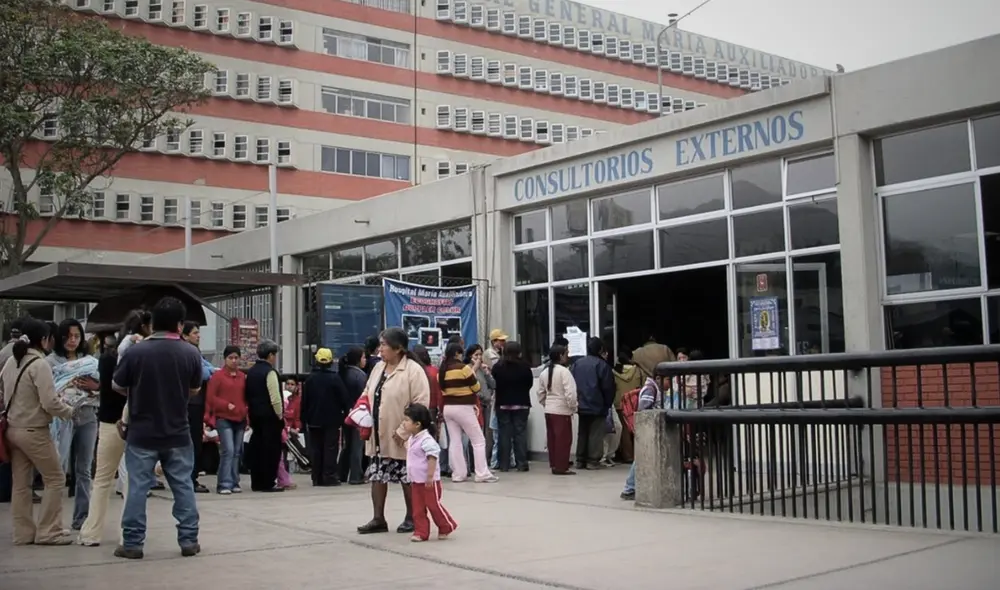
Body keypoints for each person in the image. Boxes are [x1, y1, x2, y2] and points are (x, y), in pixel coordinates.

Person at [112, 297, 205, 559]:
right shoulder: (190, 353)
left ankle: (132, 543)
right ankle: (189, 540)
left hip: (141, 433)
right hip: (178, 432)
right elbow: (195, 389)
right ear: (179, 325)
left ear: (152, 324)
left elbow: (117, 385)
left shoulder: (136, 352)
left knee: (137, 488)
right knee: (183, 486)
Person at [1, 318, 75, 545]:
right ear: (44, 339)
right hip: (34, 431)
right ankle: (49, 531)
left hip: (13, 429)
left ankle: (23, 533)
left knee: (21, 484)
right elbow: (49, 402)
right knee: (55, 478)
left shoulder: (12, 361)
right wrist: (69, 411)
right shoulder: (39, 364)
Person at [357, 327, 430, 535]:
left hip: (402, 436)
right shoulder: (378, 368)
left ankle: (412, 517)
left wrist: (404, 430)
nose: (380, 349)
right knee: (378, 476)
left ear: (398, 348)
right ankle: (378, 518)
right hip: (378, 434)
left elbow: (421, 404)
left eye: (384, 345)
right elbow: (367, 392)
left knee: (407, 477)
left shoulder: (413, 371)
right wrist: (361, 409)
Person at [47, 318, 100, 531]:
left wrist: (95, 386)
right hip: (61, 419)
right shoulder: (51, 362)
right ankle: (54, 520)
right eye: (68, 336)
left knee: (84, 469)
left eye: (77, 336)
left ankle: (81, 518)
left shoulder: (89, 361)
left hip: (87, 416)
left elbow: (103, 387)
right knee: (58, 469)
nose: (72, 340)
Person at [439, 343, 498, 484]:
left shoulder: (442, 370)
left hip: (448, 408)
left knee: (455, 441)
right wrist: (474, 370)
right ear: (457, 354)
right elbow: (476, 387)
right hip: (464, 407)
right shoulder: (463, 368)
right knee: (478, 440)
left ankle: (458, 474)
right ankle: (482, 473)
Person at [402, 403, 457, 543]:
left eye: (407, 420)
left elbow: (432, 457)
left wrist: (430, 476)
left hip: (429, 482)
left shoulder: (426, 440)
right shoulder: (412, 438)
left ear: (417, 424)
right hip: (416, 481)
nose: (404, 423)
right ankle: (421, 532)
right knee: (417, 508)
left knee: (433, 505)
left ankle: (446, 525)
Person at [300, 348, 350, 487]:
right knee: (330, 448)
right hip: (332, 420)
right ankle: (329, 476)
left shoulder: (310, 379)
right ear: (330, 362)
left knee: (315, 448)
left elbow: (304, 401)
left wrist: (303, 419)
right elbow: (344, 399)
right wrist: (346, 413)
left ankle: (316, 477)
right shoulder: (335, 378)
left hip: (313, 419)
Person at [204, 345, 247, 495]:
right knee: (228, 450)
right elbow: (210, 397)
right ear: (225, 359)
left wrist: (246, 413)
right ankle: (224, 483)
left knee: (237, 452)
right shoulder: (218, 376)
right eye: (231, 358)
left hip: (240, 418)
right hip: (224, 418)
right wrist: (225, 405)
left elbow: (246, 397)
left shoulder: (242, 377)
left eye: (236, 358)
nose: (234, 361)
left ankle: (234, 481)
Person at [245, 340, 285, 493]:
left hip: (255, 415)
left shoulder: (251, 372)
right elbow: (275, 397)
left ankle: (257, 482)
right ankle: (268, 482)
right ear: (270, 355)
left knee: (257, 448)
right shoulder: (270, 372)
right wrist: (280, 415)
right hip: (270, 417)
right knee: (271, 450)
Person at [570, 337, 615, 471]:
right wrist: (607, 404)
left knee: (582, 432)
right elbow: (608, 387)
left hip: (581, 403)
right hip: (597, 405)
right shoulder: (602, 365)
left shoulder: (577, 364)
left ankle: (580, 460)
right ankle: (592, 461)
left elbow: (571, 383)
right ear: (600, 349)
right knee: (595, 433)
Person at [181, 322, 215, 494]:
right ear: (185, 335)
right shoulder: (187, 352)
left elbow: (208, 368)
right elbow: (203, 373)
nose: (198, 336)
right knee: (191, 442)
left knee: (195, 441)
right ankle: (190, 478)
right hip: (190, 402)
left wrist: (208, 370)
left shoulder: (195, 351)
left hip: (196, 402)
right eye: (195, 333)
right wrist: (208, 371)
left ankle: (190, 477)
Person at [621, 372, 666, 501]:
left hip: (650, 430)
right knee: (641, 458)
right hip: (648, 429)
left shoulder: (654, 389)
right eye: (668, 379)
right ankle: (630, 488)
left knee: (643, 457)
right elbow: (644, 411)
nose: (669, 383)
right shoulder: (650, 390)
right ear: (658, 378)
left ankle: (631, 487)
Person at [491, 341, 533, 472]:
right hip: (522, 403)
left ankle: (504, 464)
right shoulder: (525, 367)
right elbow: (529, 384)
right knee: (520, 434)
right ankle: (522, 464)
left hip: (503, 404)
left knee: (504, 434)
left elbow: (494, 384)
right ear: (519, 352)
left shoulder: (498, 367)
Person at [536, 344, 577, 475]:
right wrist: (573, 407)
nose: (568, 356)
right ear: (560, 355)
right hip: (562, 411)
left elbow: (540, 393)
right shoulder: (565, 372)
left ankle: (554, 464)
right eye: (566, 353)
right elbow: (571, 393)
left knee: (552, 439)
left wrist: (546, 404)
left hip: (549, 410)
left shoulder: (544, 372)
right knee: (563, 440)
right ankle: (561, 467)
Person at [338, 346, 367, 485]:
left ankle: (341, 473)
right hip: (359, 413)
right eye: (363, 357)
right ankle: (356, 475)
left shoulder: (342, 373)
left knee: (347, 444)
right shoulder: (360, 375)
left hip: (345, 413)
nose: (365, 360)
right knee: (357, 445)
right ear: (357, 359)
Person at [465, 344, 495, 470]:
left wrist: (487, 373)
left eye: (480, 355)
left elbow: (493, 384)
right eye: (476, 355)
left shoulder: (483, 368)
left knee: (487, 434)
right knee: (475, 434)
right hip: (475, 404)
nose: (478, 357)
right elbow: (469, 384)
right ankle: (473, 464)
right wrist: (475, 368)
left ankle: (485, 460)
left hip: (487, 404)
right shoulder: (468, 369)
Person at [612, 350, 643, 465]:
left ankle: (627, 456)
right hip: (635, 403)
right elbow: (642, 385)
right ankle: (638, 454)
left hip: (620, 403)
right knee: (637, 429)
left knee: (624, 430)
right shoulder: (638, 370)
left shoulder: (614, 371)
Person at [278, 376, 302, 490]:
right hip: (283, 430)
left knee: (287, 455)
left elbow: (297, 417)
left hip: (290, 431)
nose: (289, 386)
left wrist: (297, 428)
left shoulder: (297, 401)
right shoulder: (282, 398)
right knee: (281, 455)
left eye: (292, 384)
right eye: (288, 384)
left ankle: (285, 478)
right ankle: (284, 479)